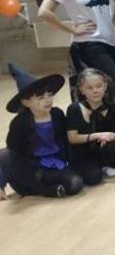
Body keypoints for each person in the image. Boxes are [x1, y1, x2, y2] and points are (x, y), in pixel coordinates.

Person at [2, 64, 83, 197]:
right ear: (26, 102)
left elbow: (66, 140)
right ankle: (48, 190)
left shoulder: (57, 114)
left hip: (56, 163)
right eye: (40, 98)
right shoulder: (20, 122)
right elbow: (13, 151)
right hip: (32, 166)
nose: (48, 100)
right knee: (4, 155)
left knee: (75, 183)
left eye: (49, 95)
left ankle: (41, 187)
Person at [66, 68, 115, 182]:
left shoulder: (112, 107)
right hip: (83, 151)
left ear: (105, 86)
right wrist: (98, 135)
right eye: (89, 88)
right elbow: (72, 138)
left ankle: (105, 164)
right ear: (81, 90)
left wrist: (112, 136)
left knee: (114, 148)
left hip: (103, 149)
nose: (95, 91)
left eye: (98, 86)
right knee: (94, 178)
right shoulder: (74, 109)